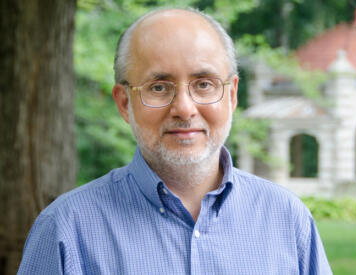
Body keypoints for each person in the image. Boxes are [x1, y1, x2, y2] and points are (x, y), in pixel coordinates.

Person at [18, 8, 332, 275]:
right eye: (159, 87)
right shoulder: (65, 230)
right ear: (125, 103)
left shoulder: (288, 219)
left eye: (204, 84)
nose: (184, 108)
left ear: (232, 95)